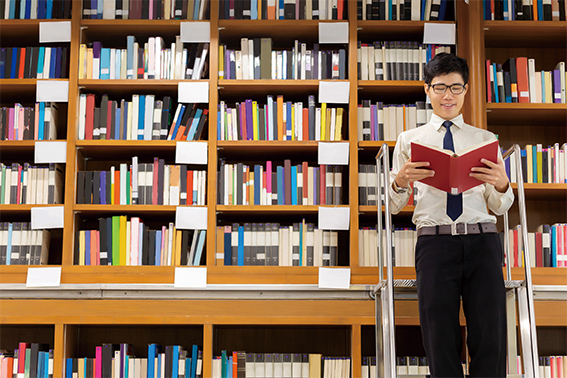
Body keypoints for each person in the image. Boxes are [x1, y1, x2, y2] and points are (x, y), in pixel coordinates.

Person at [389, 53, 514, 377]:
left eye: (456, 88)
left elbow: (500, 208)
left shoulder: (485, 140)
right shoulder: (409, 140)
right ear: (427, 90)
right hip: (435, 244)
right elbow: (392, 206)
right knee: (438, 335)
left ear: (466, 89)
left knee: (490, 335)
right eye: (441, 87)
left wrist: (502, 185)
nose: (448, 96)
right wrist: (401, 181)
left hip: (482, 241)